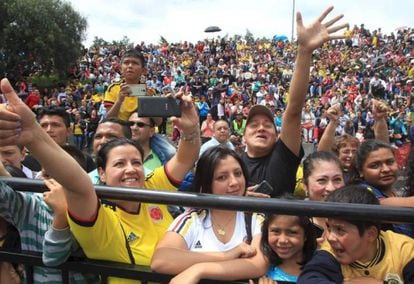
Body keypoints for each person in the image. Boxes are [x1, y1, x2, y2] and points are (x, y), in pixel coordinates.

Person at [0, 79, 200, 282]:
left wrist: (191, 128)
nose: (130, 170)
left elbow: (185, 158)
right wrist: (34, 135)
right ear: (101, 173)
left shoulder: (150, 185)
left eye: (136, 163)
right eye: (119, 164)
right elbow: (76, 183)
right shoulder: (97, 215)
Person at [243, 6, 347, 198]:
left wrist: (304, 51)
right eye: (254, 125)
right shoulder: (233, 164)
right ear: (243, 136)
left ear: (277, 136)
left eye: (267, 125)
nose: (261, 128)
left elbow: (293, 109)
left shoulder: (283, 156)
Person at [151, 146, 267, 283]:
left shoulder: (255, 217)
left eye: (238, 173)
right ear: (206, 183)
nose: (234, 182)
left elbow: (258, 264)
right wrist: (227, 255)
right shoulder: (192, 218)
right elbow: (161, 260)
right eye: (222, 177)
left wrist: (199, 270)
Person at [298, 185, 414, 283]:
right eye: (329, 228)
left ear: (371, 234)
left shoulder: (405, 250)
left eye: (340, 230)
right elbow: (309, 278)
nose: (330, 237)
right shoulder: (330, 251)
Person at [355, 139, 414, 237]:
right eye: (374, 166)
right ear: (361, 171)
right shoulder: (361, 192)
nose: (386, 169)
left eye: (390, 162)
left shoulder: (392, 192)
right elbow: (380, 205)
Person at [256, 210, 317, 283]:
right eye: (275, 231)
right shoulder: (259, 270)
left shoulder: (319, 267)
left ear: (306, 235)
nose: (282, 240)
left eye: (292, 232)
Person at [302, 151, 345, 234]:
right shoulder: (296, 222)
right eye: (322, 180)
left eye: (337, 179)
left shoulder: (354, 218)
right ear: (305, 185)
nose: (331, 188)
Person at [104, 49, 146, 121]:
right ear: (120, 68)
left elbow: (158, 122)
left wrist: (148, 100)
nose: (130, 66)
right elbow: (109, 119)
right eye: (126, 63)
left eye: (135, 63)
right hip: (119, 130)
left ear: (143, 70)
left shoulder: (147, 90)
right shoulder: (113, 89)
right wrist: (119, 101)